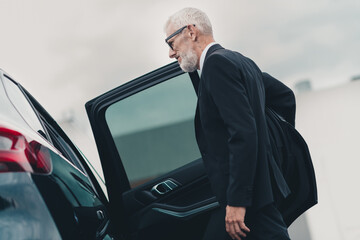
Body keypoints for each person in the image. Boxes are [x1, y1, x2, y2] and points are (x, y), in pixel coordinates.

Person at [164, 8, 294, 240]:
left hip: (248, 204)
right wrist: (271, 153)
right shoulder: (240, 61)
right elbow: (284, 97)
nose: (171, 53)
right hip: (258, 195)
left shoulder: (216, 66)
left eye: (171, 42)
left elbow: (243, 132)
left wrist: (237, 202)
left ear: (191, 32)